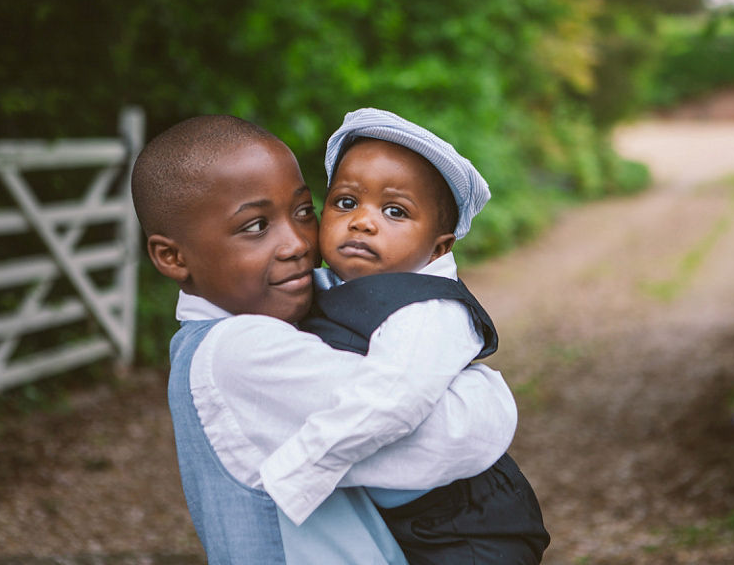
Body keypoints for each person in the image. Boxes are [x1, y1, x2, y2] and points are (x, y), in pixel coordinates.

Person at [130, 114, 519, 564]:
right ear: (172, 256)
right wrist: (482, 385)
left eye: (302, 212)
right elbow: (453, 434)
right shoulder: (238, 352)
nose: (297, 242)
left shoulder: (300, 312)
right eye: (256, 226)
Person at [260, 108, 551, 564]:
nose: (363, 221)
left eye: (394, 211)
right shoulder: (320, 286)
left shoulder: (429, 309)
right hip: (401, 517)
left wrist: (297, 470)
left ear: (439, 247)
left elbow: (394, 396)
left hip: (468, 523)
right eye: (346, 202)